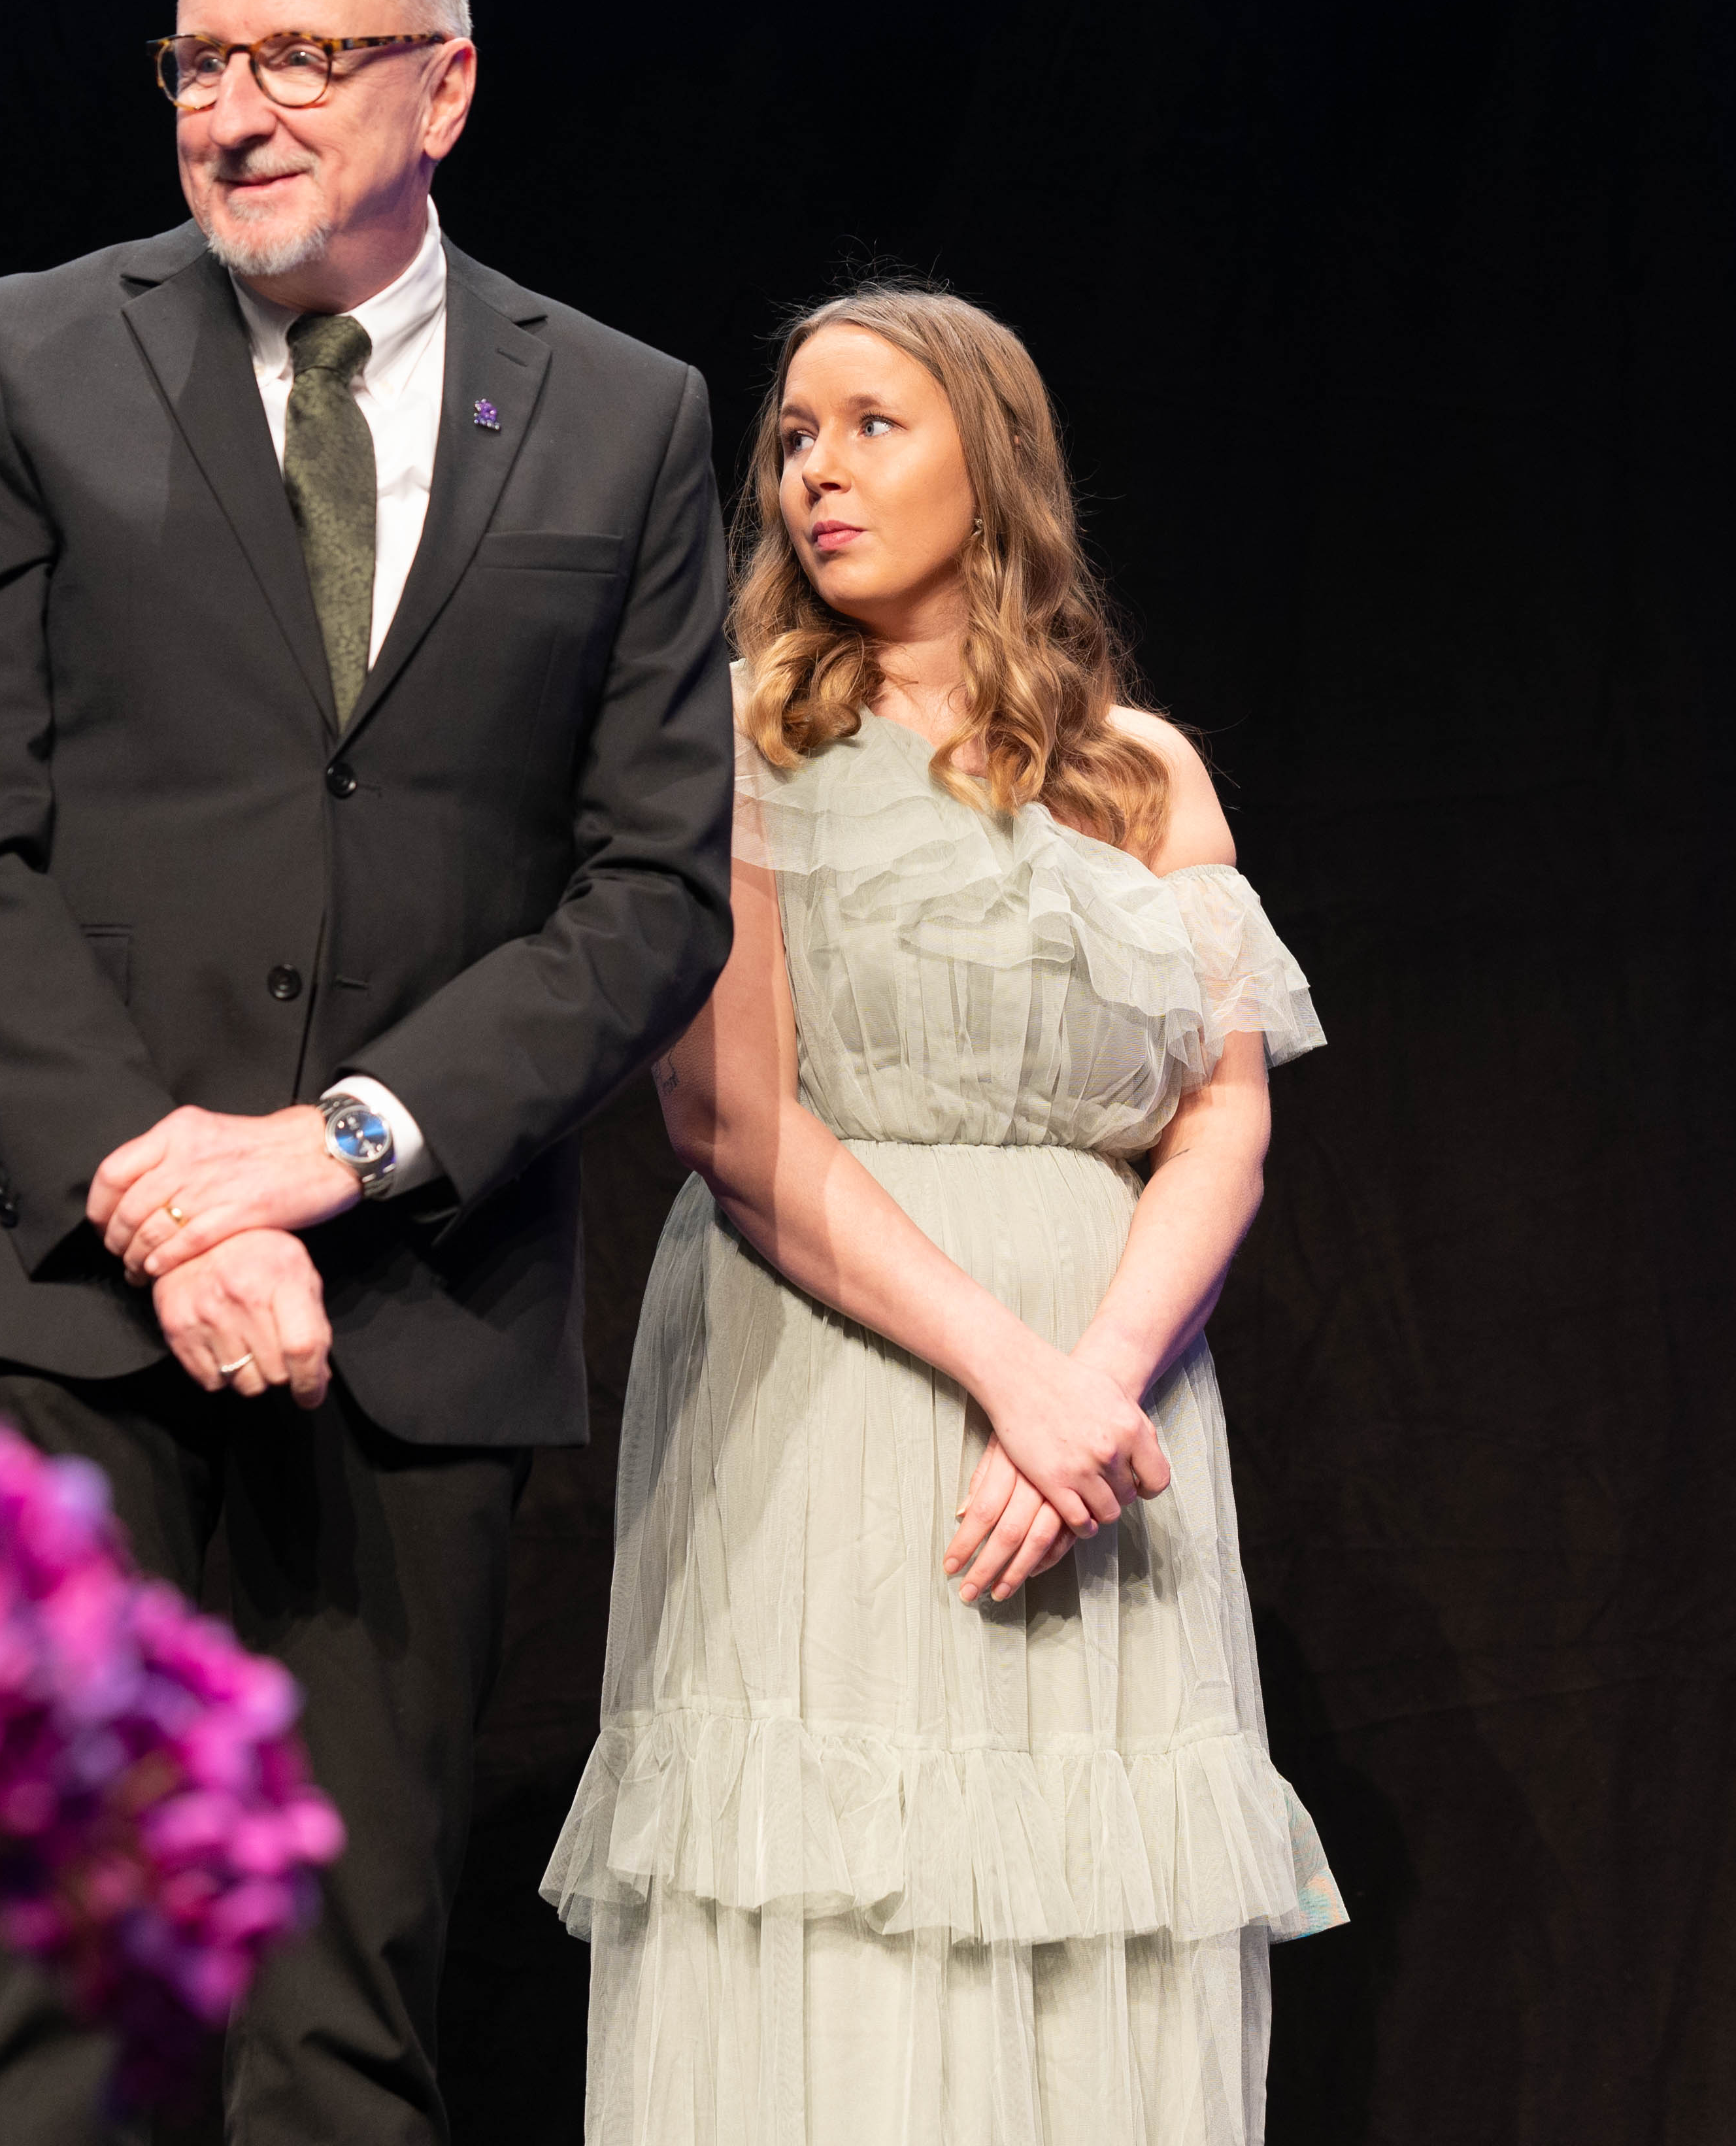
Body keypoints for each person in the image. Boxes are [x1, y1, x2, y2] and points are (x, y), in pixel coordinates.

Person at [0, 0, 735, 2144]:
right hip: (59, 1277)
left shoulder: (627, 417)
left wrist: (335, 1151)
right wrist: (173, 1186)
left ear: (441, 89)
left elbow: (653, 894)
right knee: (44, 1999)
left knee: (345, 2014)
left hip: (417, 1299)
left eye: (298, 59)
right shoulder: (24, 353)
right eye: (199, 62)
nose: (234, 108)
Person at [542, 289, 1344, 2143]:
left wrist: (1098, 1382)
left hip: (1110, 1413)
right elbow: (730, 1115)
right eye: (793, 437)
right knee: (842, 1904)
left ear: (996, 464)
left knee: (1077, 1901)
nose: (815, 468)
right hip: (839, 1381)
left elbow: (1223, 1123)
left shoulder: (1141, 772)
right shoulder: (738, 739)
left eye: (870, 425)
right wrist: (1016, 1375)